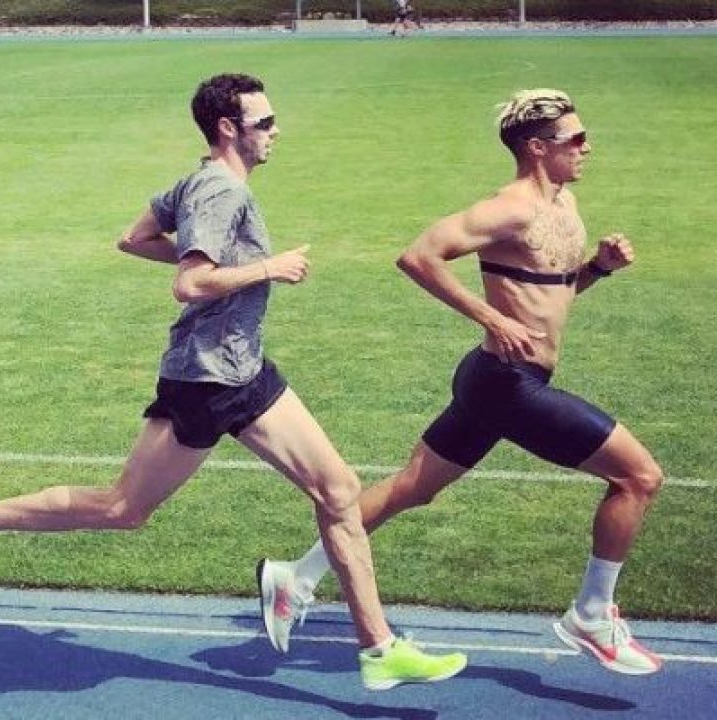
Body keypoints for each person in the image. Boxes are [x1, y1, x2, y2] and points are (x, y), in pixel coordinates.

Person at [0, 73, 467, 691]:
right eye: (264, 123)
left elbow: (135, 238)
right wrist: (268, 268)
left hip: (242, 368)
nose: (276, 131)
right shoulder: (221, 191)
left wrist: (234, 266)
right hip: (208, 378)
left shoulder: (197, 181)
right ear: (228, 129)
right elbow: (191, 283)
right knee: (122, 508)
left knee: (337, 489)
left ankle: (373, 645)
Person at [260, 89, 664, 675]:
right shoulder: (509, 209)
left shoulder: (565, 204)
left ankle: (295, 578)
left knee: (411, 489)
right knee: (639, 477)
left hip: (494, 380)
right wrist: (491, 318)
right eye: (575, 138)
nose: (587, 146)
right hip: (507, 384)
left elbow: (550, 295)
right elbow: (418, 256)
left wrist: (598, 268)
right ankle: (593, 615)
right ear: (537, 148)